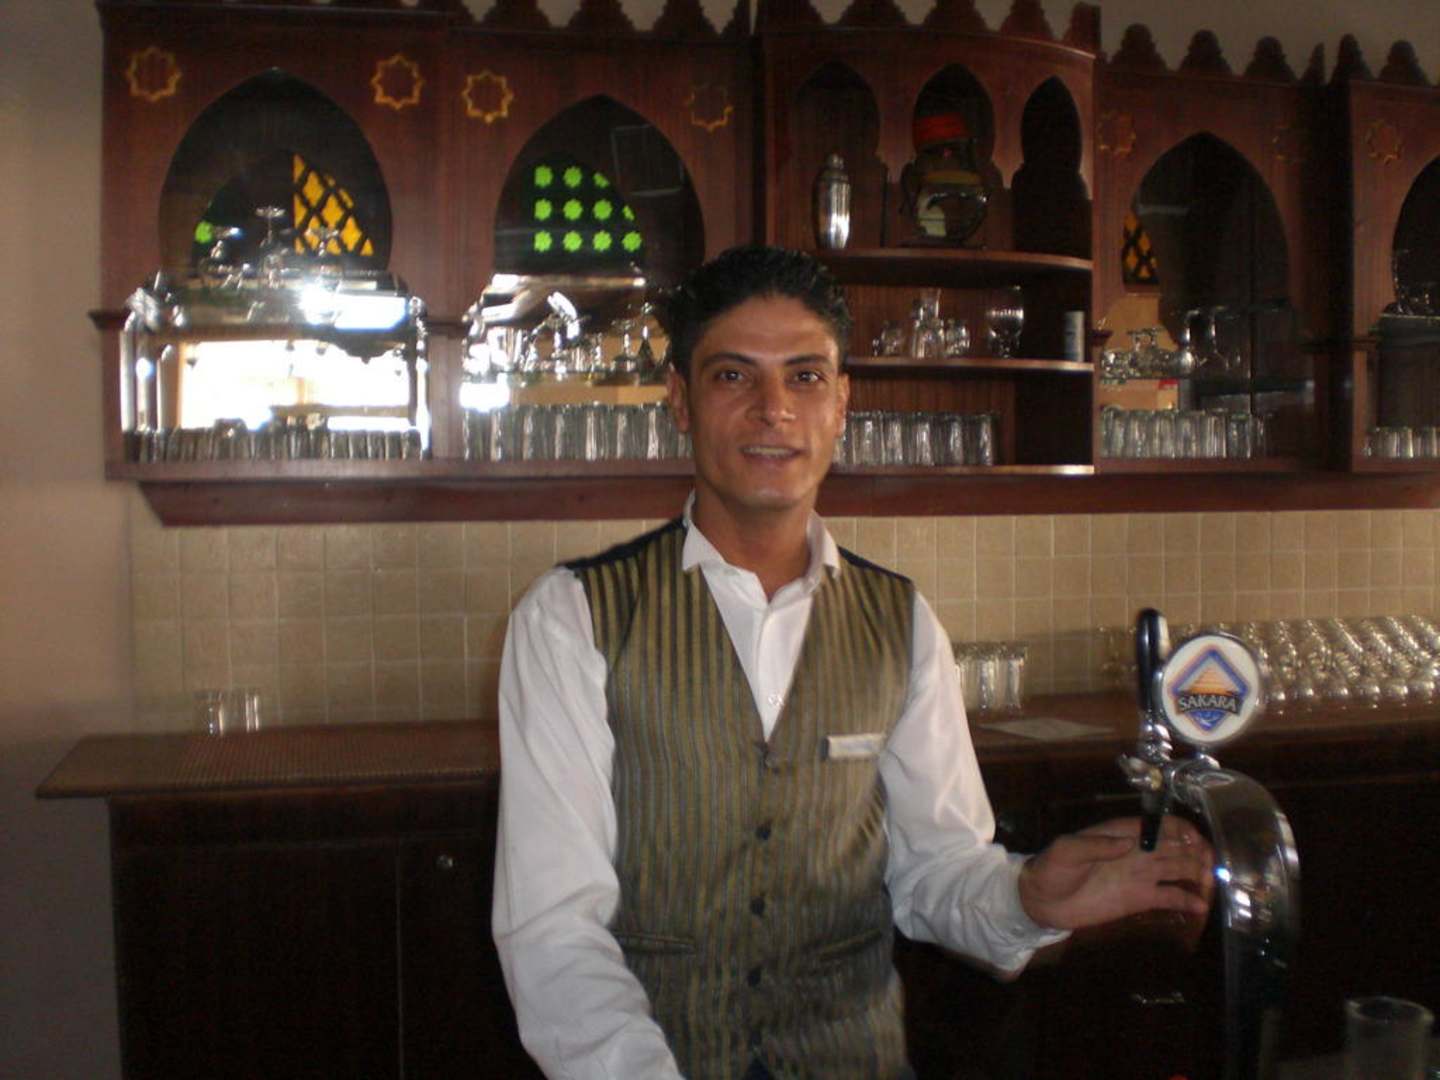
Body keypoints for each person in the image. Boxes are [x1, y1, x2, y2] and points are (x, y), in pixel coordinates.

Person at [492, 245, 1213, 1080]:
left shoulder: (900, 621)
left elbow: (939, 872)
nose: (773, 409)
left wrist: (1025, 897)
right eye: (733, 376)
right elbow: (553, 928)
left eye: (804, 377)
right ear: (680, 401)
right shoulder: (572, 617)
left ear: (840, 403)